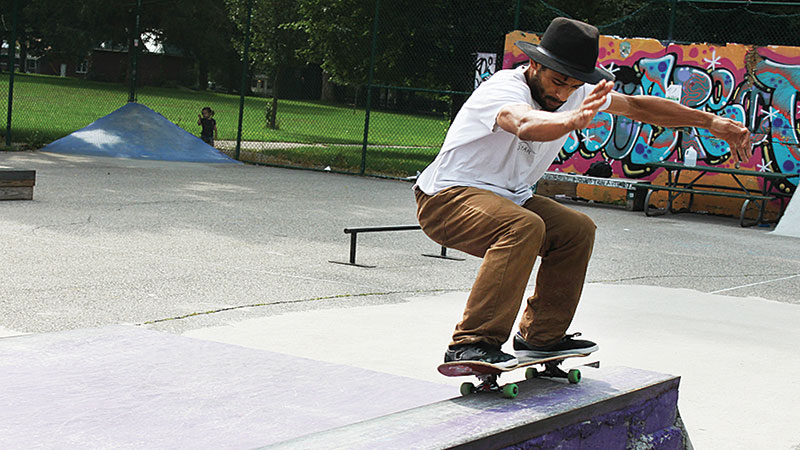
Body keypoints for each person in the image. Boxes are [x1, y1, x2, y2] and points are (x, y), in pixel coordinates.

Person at [414, 17, 751, 368]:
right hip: (447, 198)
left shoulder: (580, 93)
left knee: (576, 230)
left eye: (572, 84)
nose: (562, 94)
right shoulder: (504, 88)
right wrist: (571, 121)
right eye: (557, 81)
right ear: (535, 64)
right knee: (523, 226)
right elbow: (524, 124)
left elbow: (639, 107)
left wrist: (711, 122)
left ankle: (540, 337)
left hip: (508, 199)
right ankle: (471, 343)